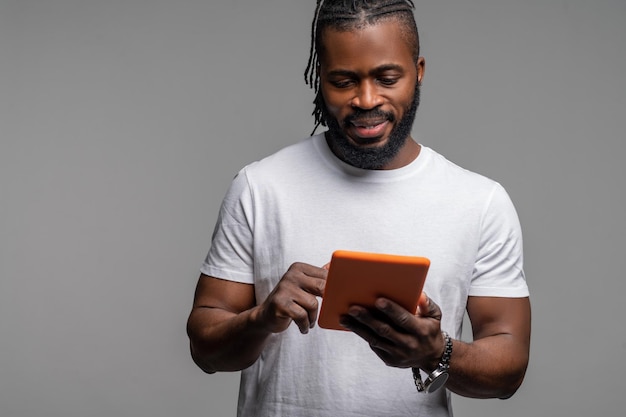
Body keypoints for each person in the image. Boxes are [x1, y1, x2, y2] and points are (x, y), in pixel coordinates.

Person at [187, 1, 531, 416]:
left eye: (387, 78)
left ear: (418, 72)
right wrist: (261, 317)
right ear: (319, 80)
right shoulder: (260, 188)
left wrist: (434, 351)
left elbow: (510, 369)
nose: (366, 100)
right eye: (343, 81)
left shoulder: (480, 202)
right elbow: (205, 350)